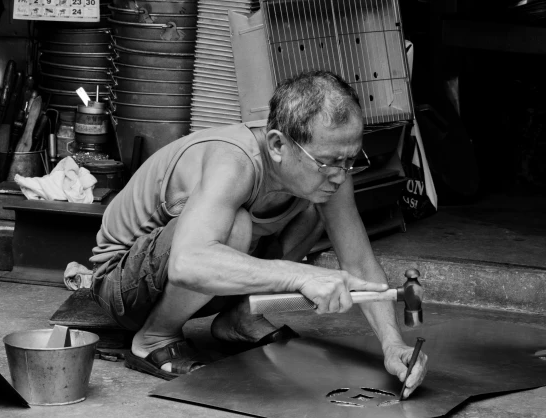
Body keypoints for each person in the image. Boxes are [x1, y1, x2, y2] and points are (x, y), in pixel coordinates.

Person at [90, 70, 428, 398]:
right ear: (278, 144)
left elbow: (358, 261)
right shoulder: (234, 161)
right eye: (327, 163)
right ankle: (153, 338)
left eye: (350, 159)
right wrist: (299, 275)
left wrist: (392, 344)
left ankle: (240, 317)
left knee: (313, 211)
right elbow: (188, 263)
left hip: (194, 287)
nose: (340, 175)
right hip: (123, 285)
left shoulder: (331, 168)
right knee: (234, 228)